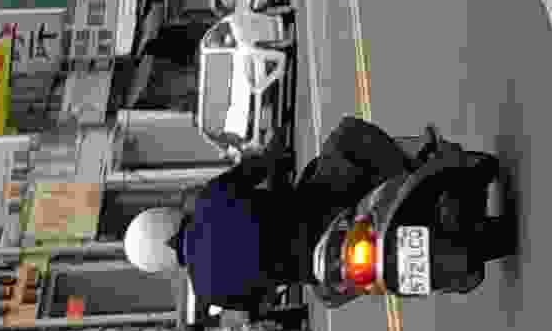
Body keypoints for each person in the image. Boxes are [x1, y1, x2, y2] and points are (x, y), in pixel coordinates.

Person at [131, 117, 432, 316]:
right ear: (164, 220)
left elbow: (263, 301)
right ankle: (421, 157)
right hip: (327, 209)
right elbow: (264, 163)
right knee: (348, 137)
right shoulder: (209, 199)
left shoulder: (210, 293)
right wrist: (274, 146)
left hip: (325, 269)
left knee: (335, 293)